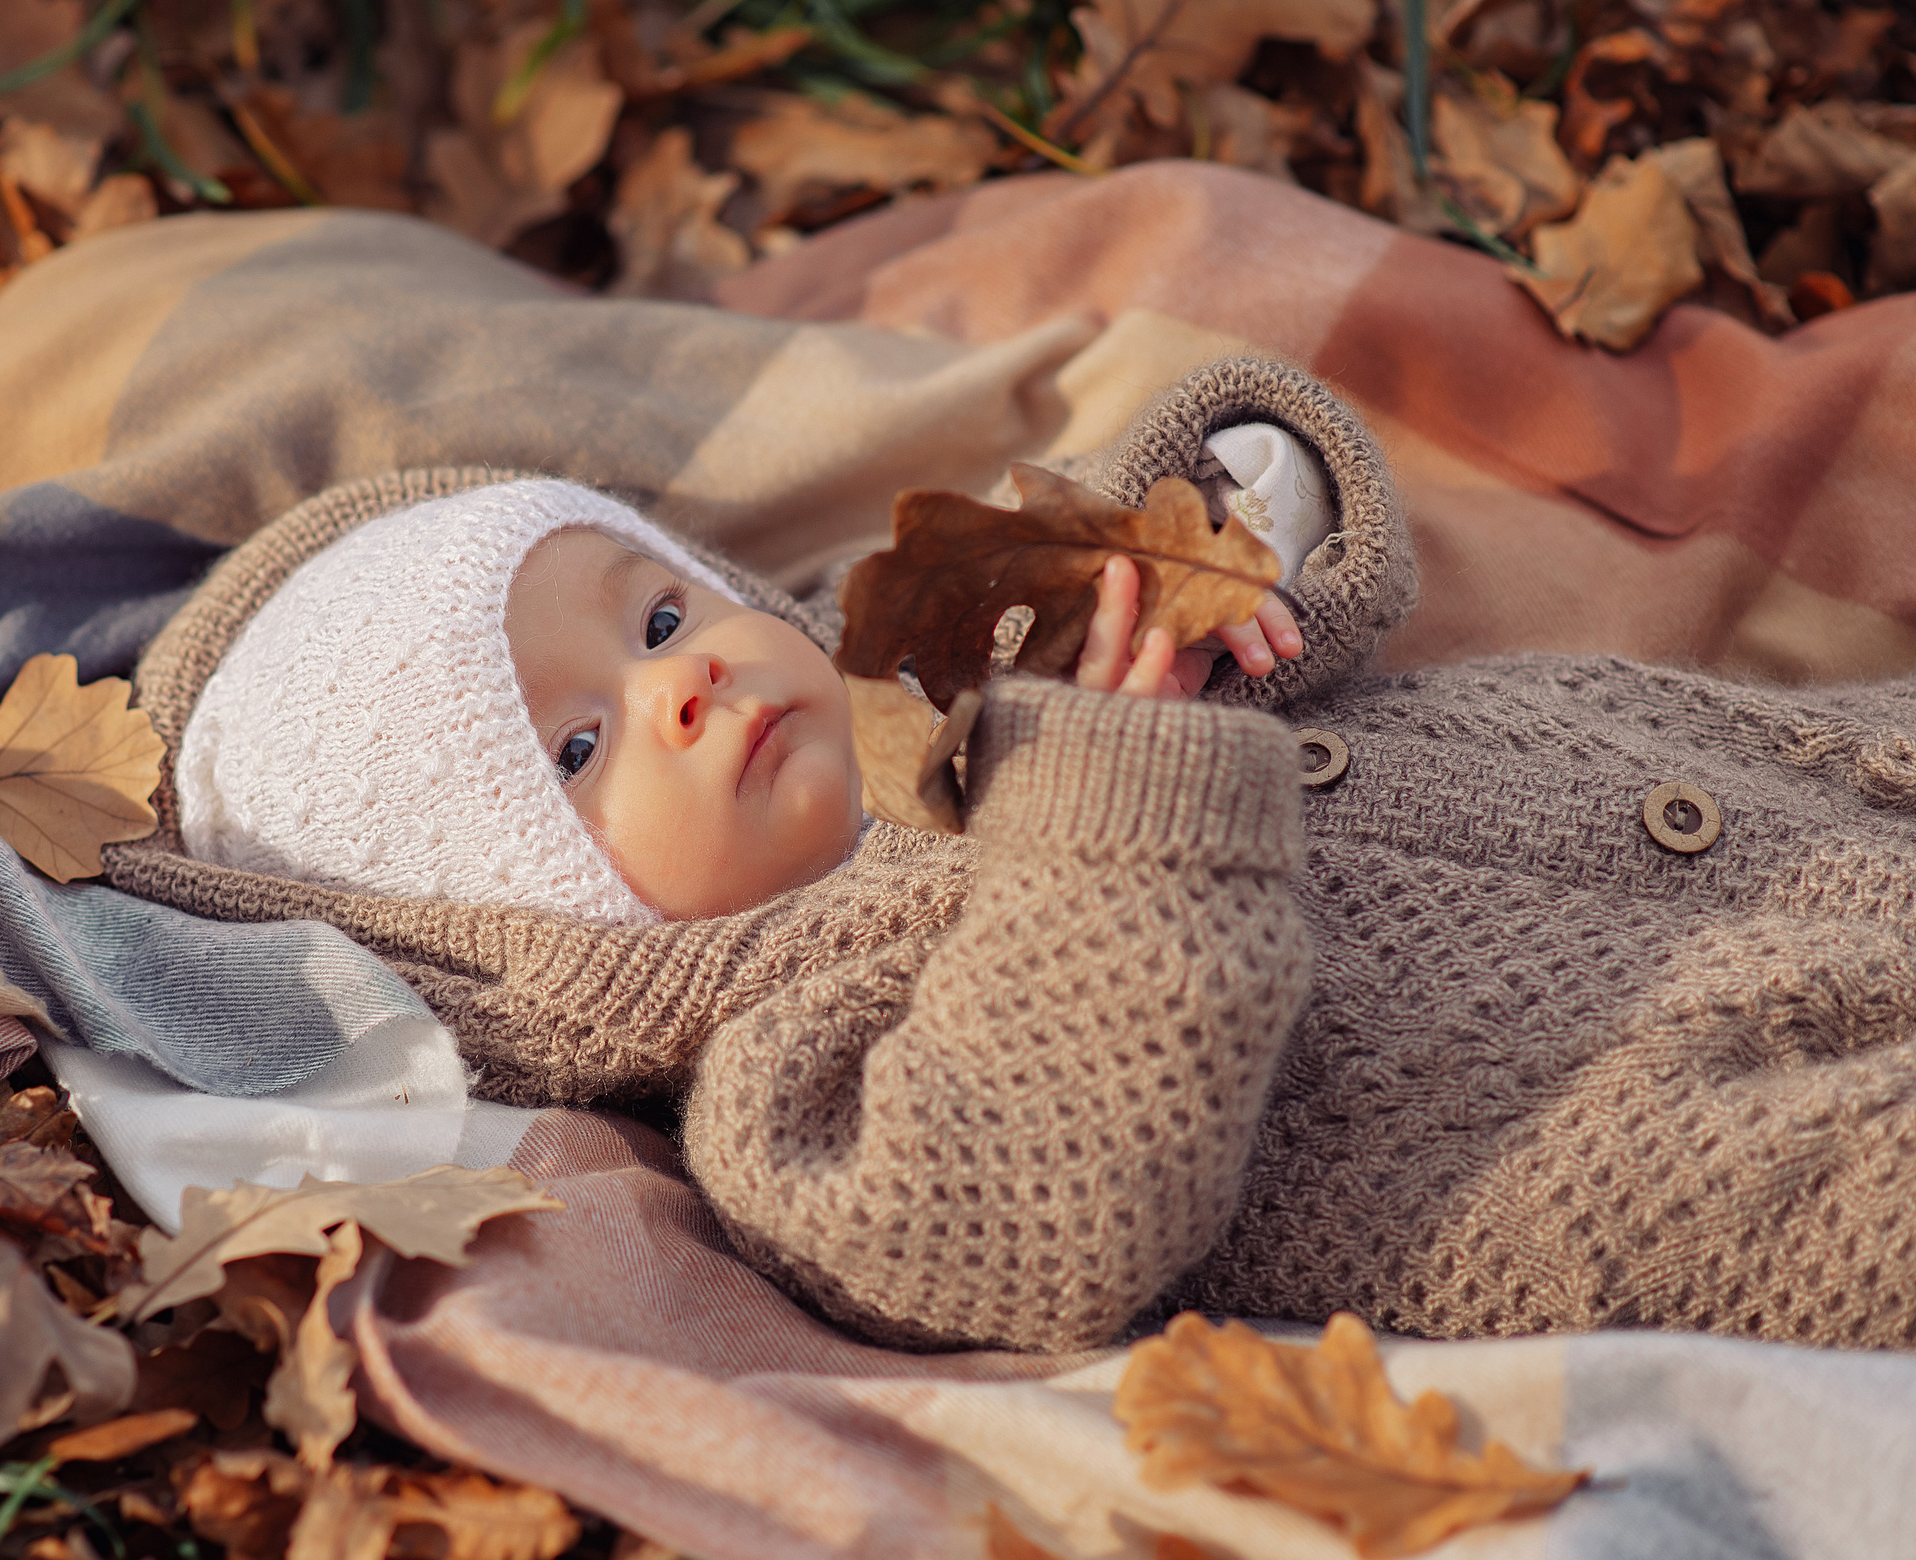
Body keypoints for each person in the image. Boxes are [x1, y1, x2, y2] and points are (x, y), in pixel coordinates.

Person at [113, 355, 1916, 1358]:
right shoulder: (788, 1060)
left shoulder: (933, 656)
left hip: (1772, 784)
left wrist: (1223, 524)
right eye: (575, 748)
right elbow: (1014, 1212)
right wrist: (1131, 775)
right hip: (1666, 1111)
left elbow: (1274, 577)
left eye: (659, 611)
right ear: (514, 923)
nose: (677, 687)